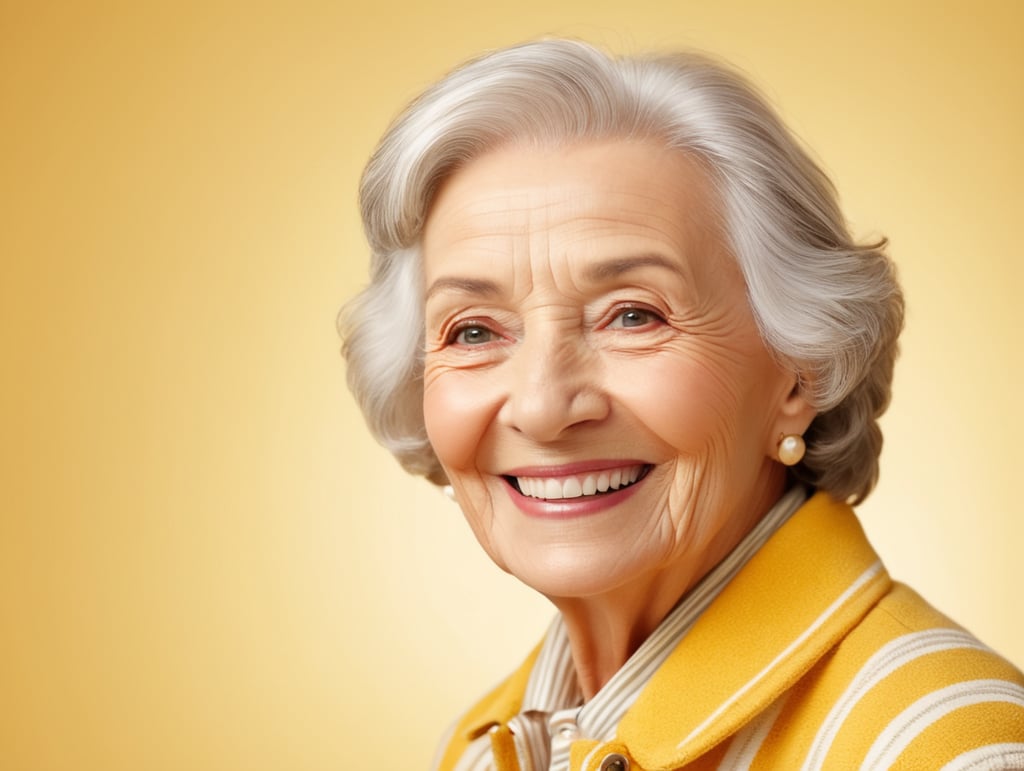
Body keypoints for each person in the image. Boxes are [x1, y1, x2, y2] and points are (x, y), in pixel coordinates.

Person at [340, 39, 1024, 770]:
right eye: (473, 329)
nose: (542, 407)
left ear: (798, 371)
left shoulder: (951, 749)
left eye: (633, 315)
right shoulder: (481, 747)